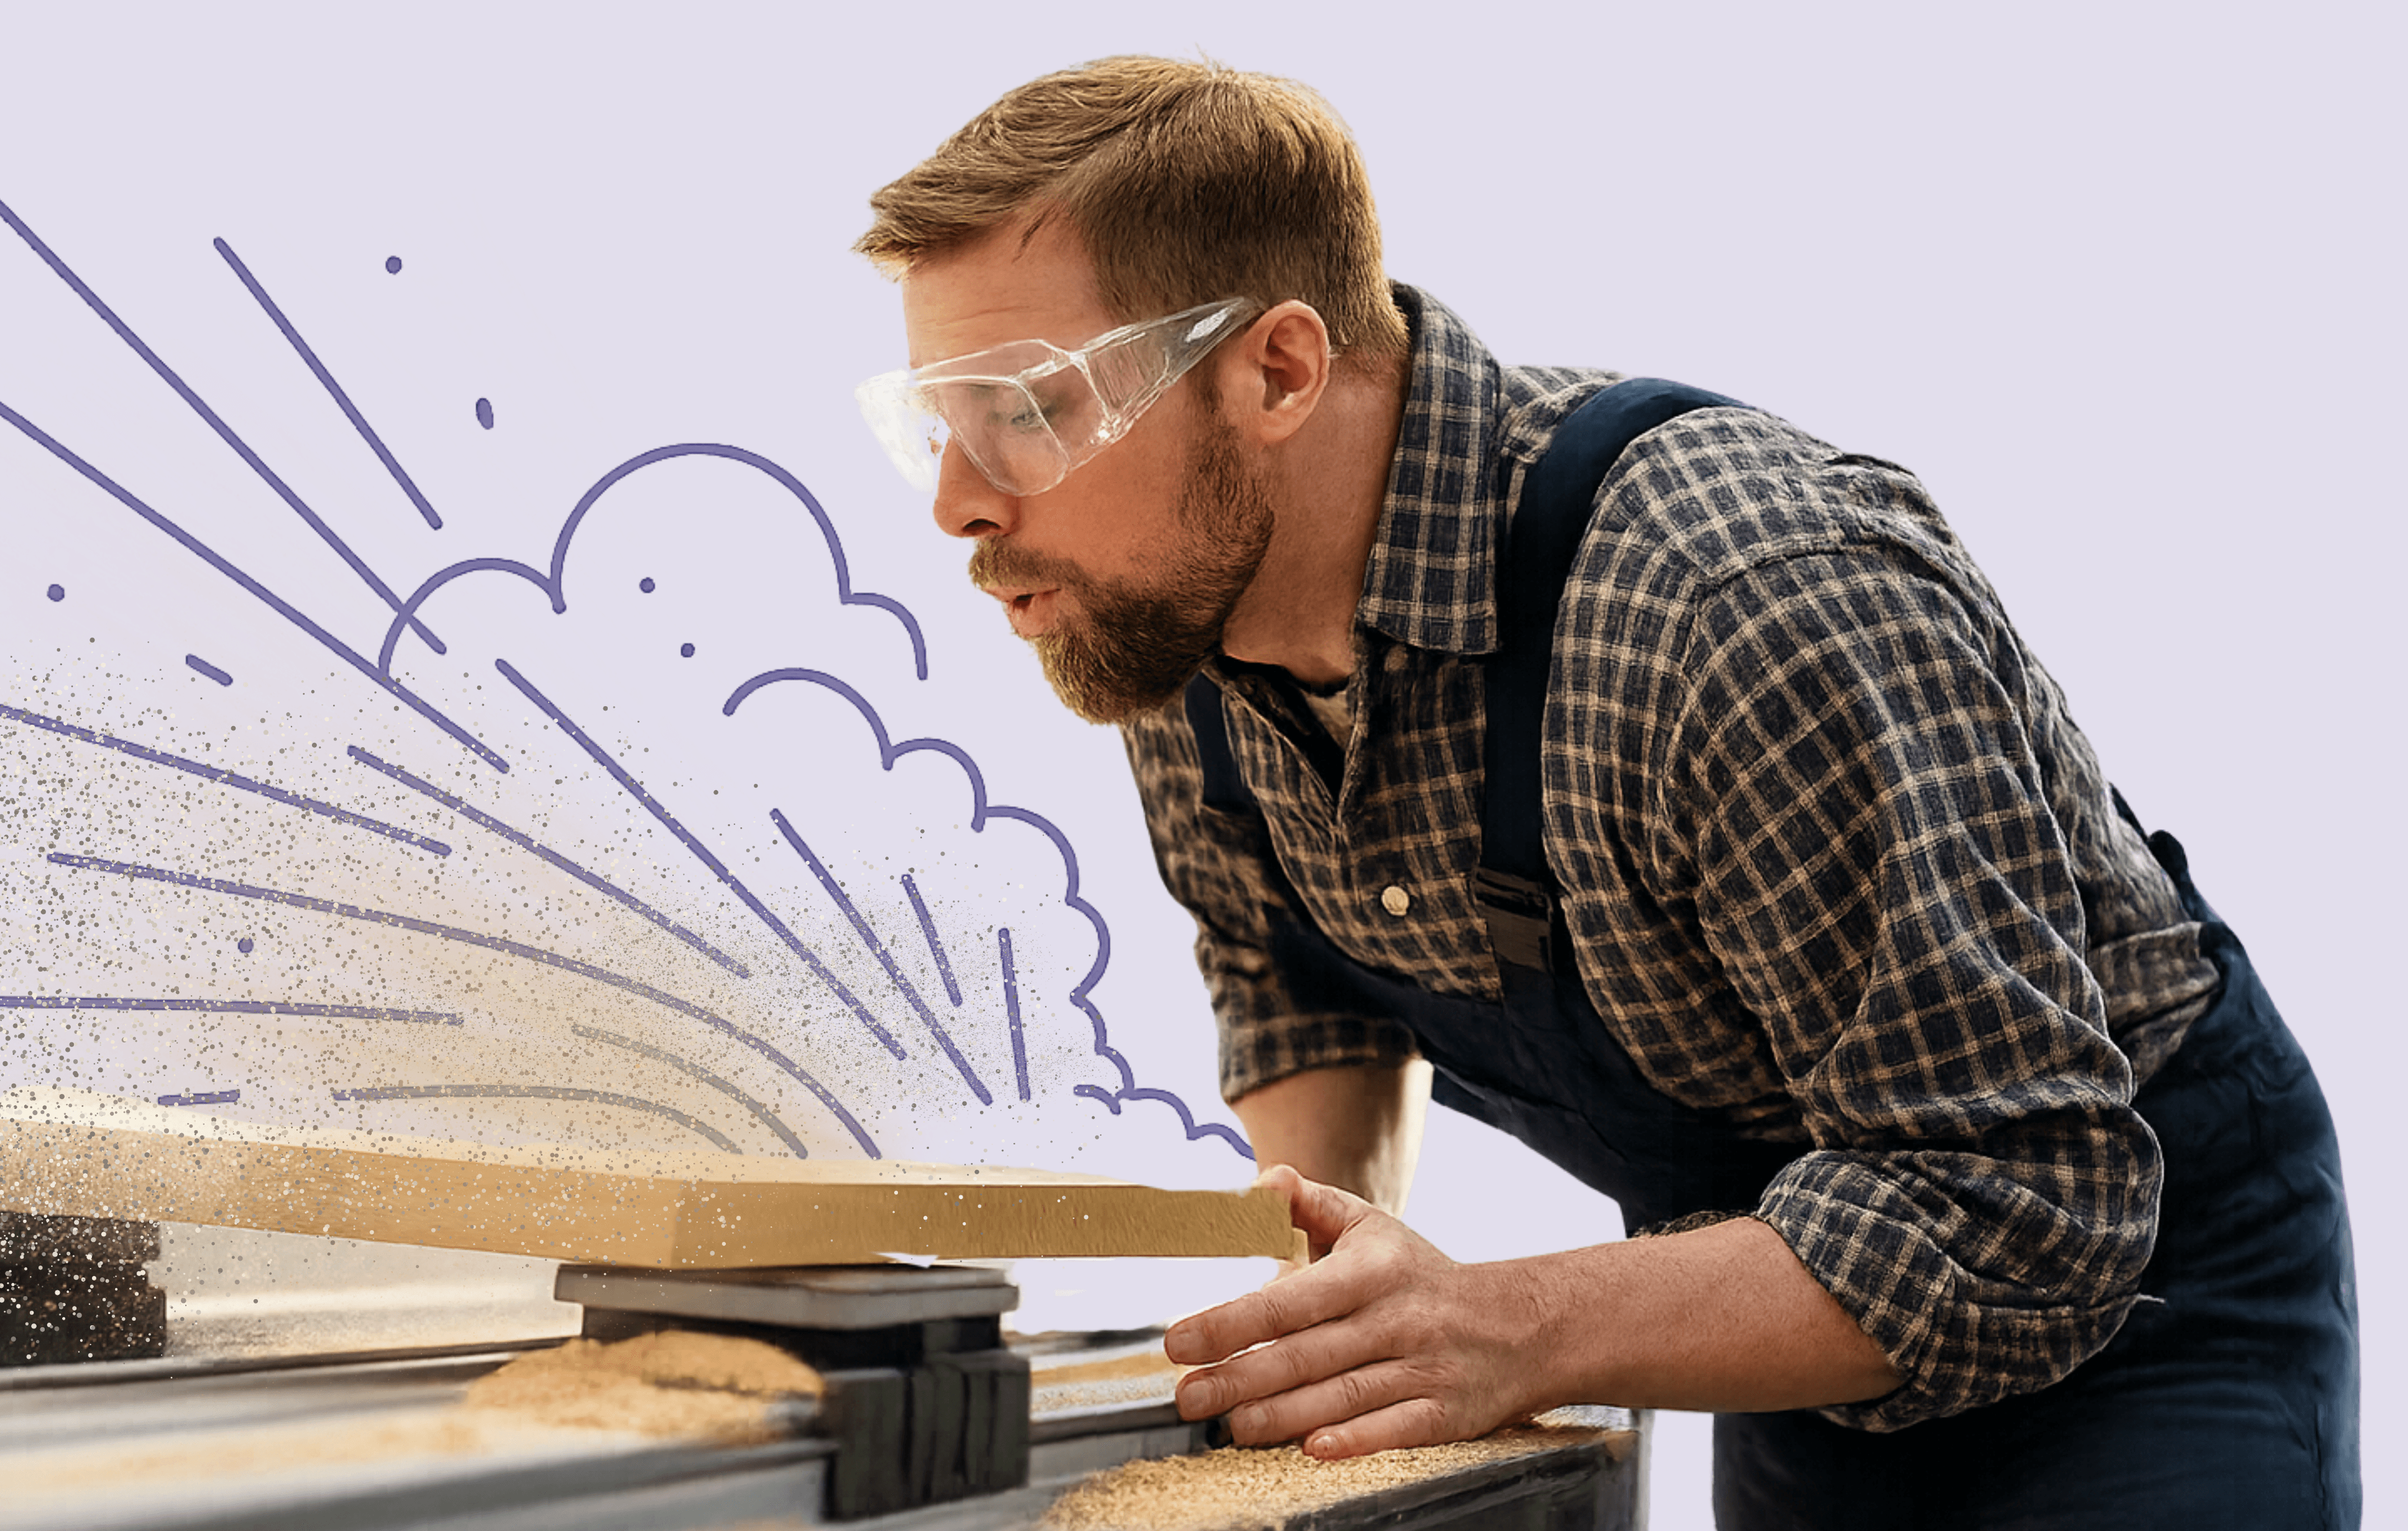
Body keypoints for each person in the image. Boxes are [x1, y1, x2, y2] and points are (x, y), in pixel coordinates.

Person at [851, 56, 2358, 1529]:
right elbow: (1291, 980)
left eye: (1030, 410)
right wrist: (1319, 1309)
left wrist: (1507, 1322)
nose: (957, 504)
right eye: (934, 422)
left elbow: (2019, 1204)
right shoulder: (1176, 616)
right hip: (1795, 1299)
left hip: (2138, 1287)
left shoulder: (1736, 604)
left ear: (1279, 370)